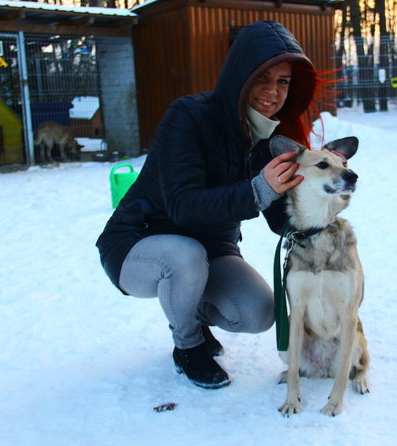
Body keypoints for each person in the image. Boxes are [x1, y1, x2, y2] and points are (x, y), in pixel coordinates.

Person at [96, 21, 328, 390]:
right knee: (182, 255)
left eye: (283, 81)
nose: (273, 91)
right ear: (241, 74)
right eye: (263, 77)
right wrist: (258, 188)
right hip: (137, 243)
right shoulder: (188, 115)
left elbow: (276, 218)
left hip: (212, 250)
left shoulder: (270, 139)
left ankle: (188, 307)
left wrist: (318, 203)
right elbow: (182, 205)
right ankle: (188, 346)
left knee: (258, 312)